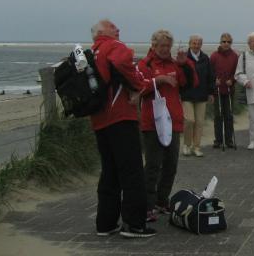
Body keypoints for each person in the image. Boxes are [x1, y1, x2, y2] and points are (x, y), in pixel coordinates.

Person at [88, 19, 155, 238]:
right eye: (112, 26)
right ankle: (134, 224)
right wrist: (137, 85)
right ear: (102, 32)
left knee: (109, 171)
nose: (117, 29)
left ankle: (105, 223)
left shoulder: (92, 52)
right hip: (120, 117)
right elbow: (121, 63)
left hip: (99, 119)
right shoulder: (114, 46)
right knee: (132, 171)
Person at [138, 29, 197, 223]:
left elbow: (190, 84)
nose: (165, 49)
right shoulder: (145, 64)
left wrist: (185, 64)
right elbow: (139, 87)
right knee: (153, 165)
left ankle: (162, 201)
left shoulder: (174, 64)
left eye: (168, 46)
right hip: (153, 122)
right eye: (162, 46)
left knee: (171, 165)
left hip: (173, 121)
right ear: (154, 45)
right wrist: (158, 80)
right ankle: (147, 205)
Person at [180, 34, 214, 157]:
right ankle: (186, 145)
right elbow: (179, 75)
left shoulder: (205, 58)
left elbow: (210, 76)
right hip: (187, 95)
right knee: (189, 120)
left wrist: (211, 92)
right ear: (189, 44)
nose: (196, 45)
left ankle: (197, 147)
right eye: (194, 43)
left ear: (201, 45)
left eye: (199, 43)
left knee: (199, 122)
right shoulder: (184, 57)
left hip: (201, 94)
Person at [210, 33, 239, 149]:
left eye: (228, 42)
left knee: (229, 115)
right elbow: (210, 72)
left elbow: (237, 72)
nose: (226, 44)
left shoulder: (234, 56)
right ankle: (218, 140)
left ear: (231, 43)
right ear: (220, 42)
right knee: (218, 116)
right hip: (217, 90)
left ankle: (229, 140)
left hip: (229, 90)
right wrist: (214, 80)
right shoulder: (214, 56)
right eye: (224, 41)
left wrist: (232, 80)